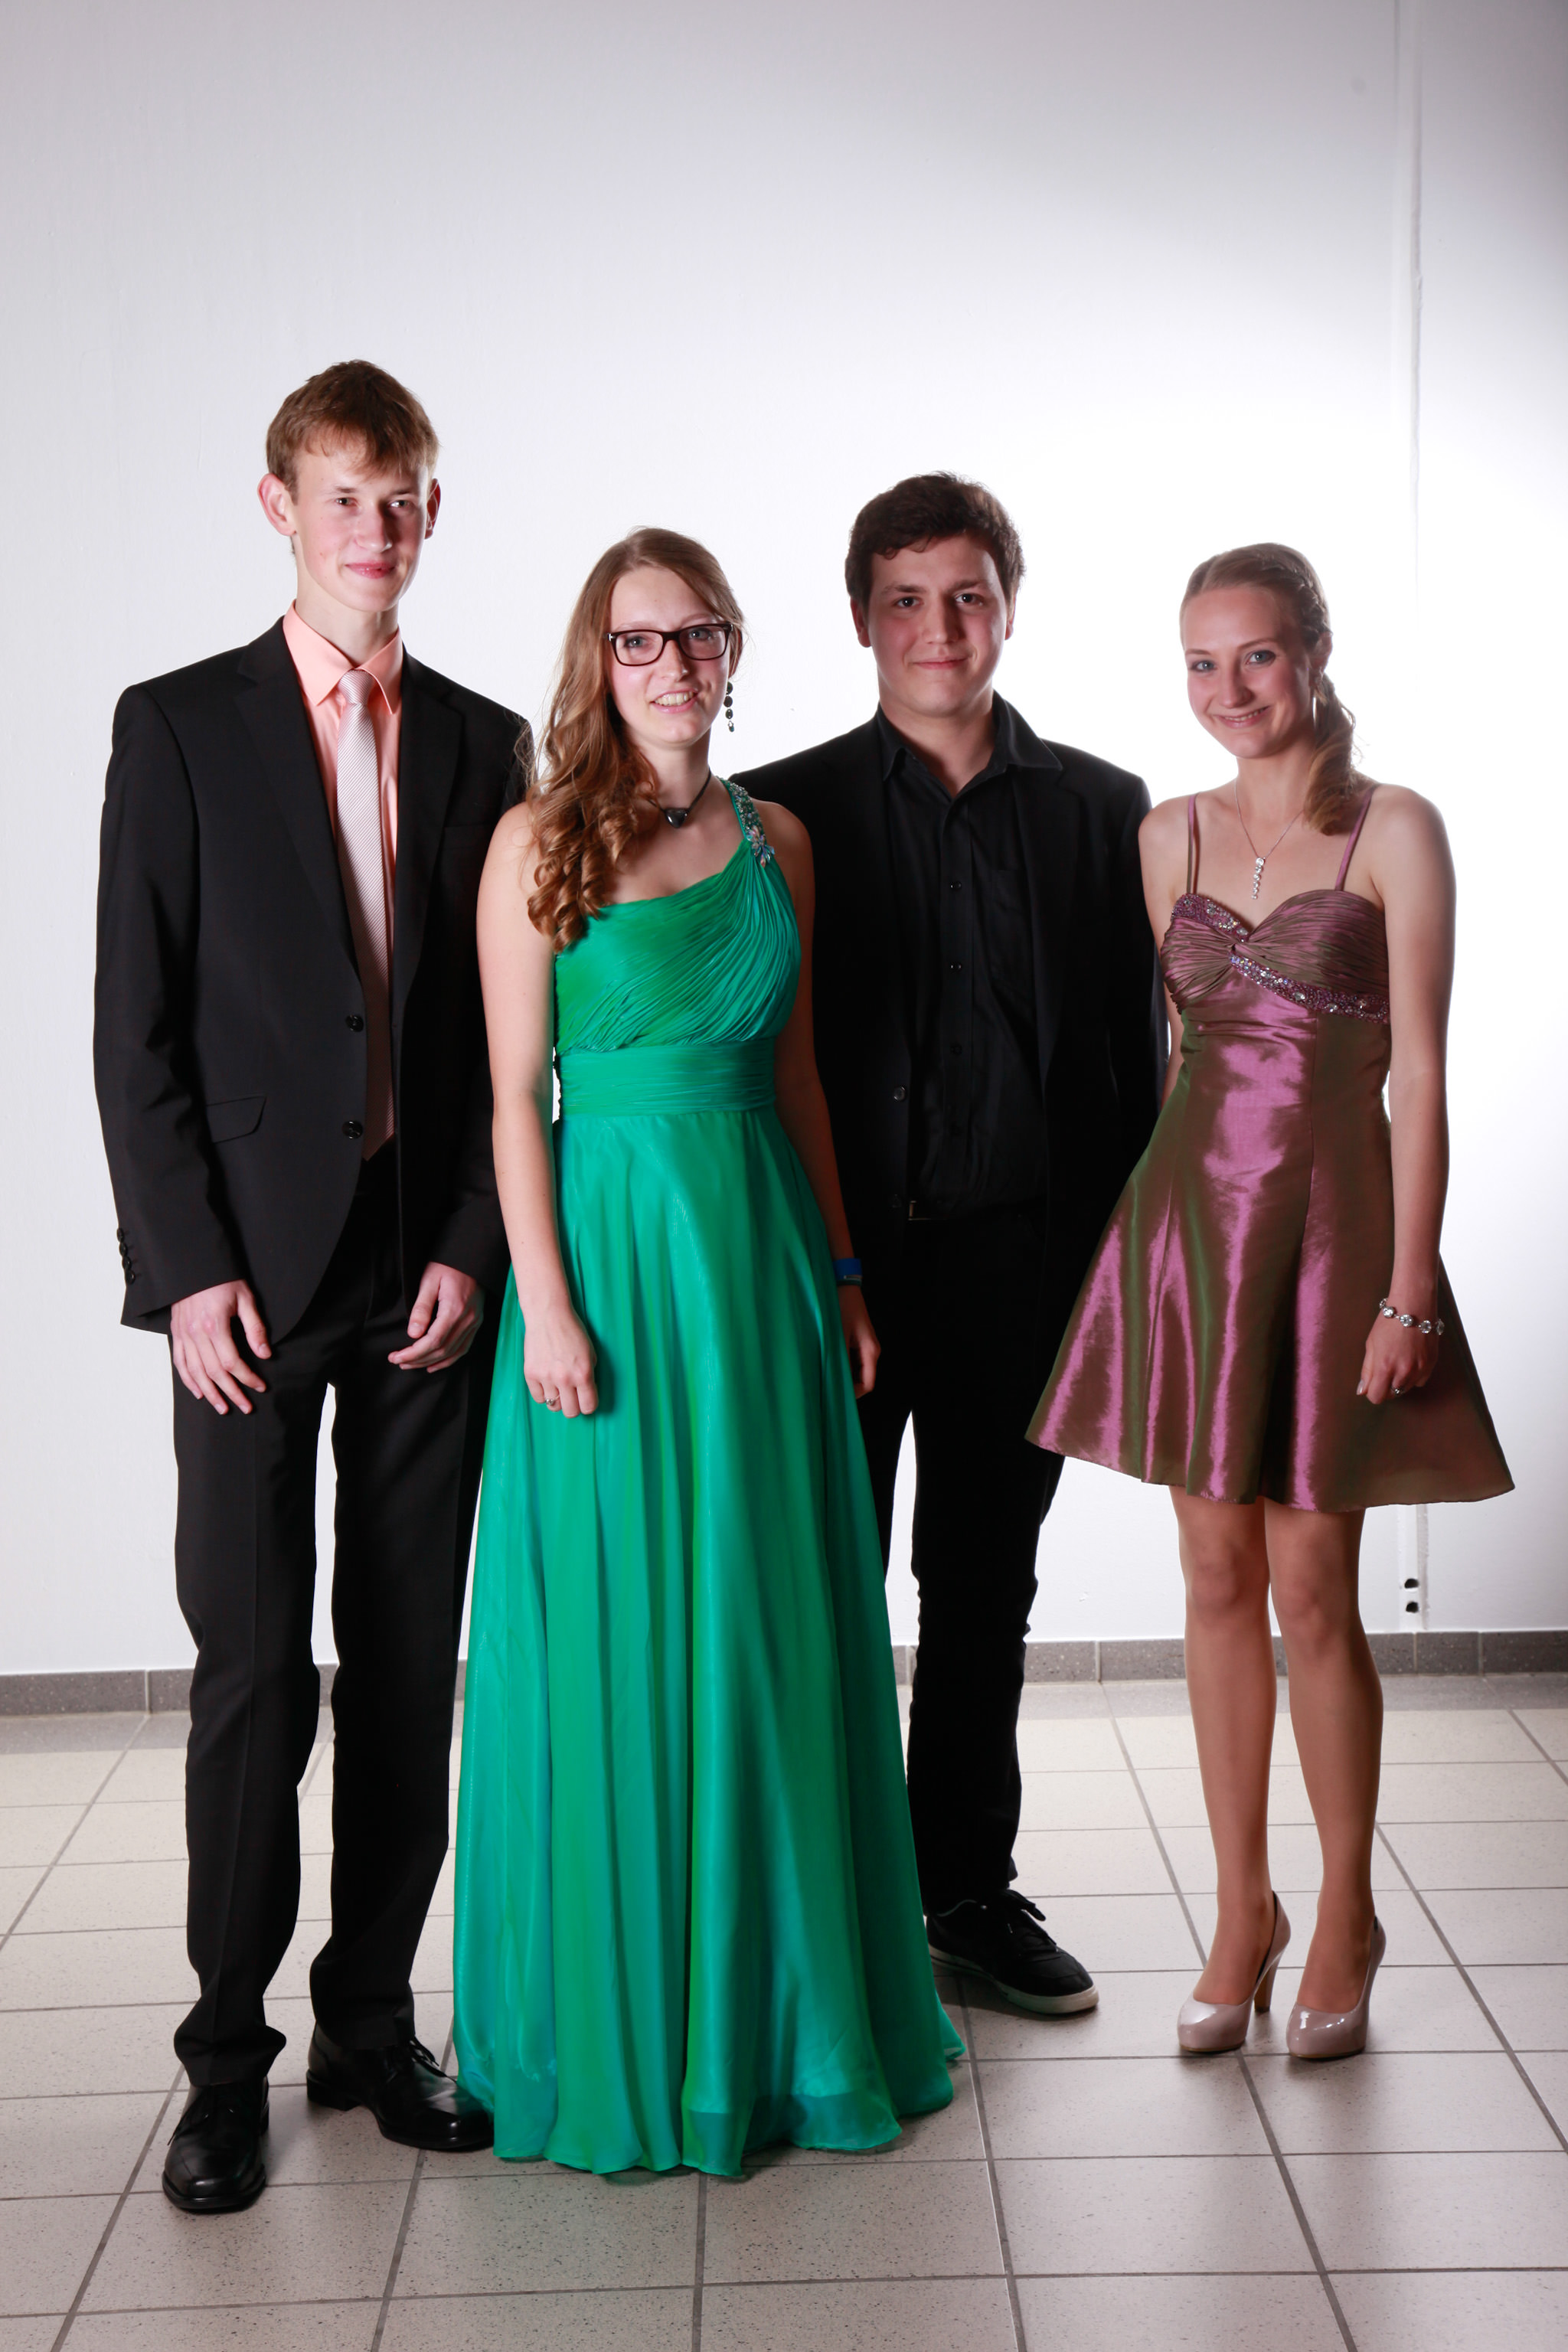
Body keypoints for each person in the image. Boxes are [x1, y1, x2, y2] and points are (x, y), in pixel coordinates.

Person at [453, 528, 959, 2175]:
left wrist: (843, 1272)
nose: (672, 666)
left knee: (761, 1621)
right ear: (598, 664)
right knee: (616, 1629)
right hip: (604, 1260)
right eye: (639, 641)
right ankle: (621, 2029)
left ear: (732, 652)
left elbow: (797, 1075)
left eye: (698, 636)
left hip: (755, 1263)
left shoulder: (778, 841)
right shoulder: (537, 840)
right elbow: (512, 1098)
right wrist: (545, 1304)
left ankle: (776, 2022)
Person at [93, 361, 524, 2212]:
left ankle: (369, 2023)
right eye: (345, 495)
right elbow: (134, 1033)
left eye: (403, 496)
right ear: (280, 506)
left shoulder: (490, 742)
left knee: (409, 1669)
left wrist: (475, 1247)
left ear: (433, 511)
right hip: (248, 1293)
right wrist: (186, 1274)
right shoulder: (179, 726)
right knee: (256, 1677)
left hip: (423, 1275)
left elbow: (515, 1037)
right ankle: (223, 2060)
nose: (376, 528)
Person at [1031, 543, 1511, 2059]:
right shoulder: (1163, 836)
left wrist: (1410, 1289)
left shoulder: (1394, 828)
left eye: (1255, 655)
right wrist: (1145, 1261)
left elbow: (1422, 1076)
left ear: (1314, 649)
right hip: (1191, 1235)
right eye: (1199, 661)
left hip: (1333, 1240)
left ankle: (1348, 1910)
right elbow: (1180, 1060)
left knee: (1313, 1585)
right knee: (1213, 1577)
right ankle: (1243, 1913)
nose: (1228, 688)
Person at [743, 476, 1165, 2014]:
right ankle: (829, 1907)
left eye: (968, 595)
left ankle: (965, 1892)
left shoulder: (1102, 808)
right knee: (822, 1587)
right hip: (836, 1276)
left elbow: (1133, 1066)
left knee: (984, 1593)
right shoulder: (778, 808)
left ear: (1009, 609)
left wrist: (1125, 1282)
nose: (939, 627)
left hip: (1023, 1274)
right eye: (907, 600)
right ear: (862, 619)